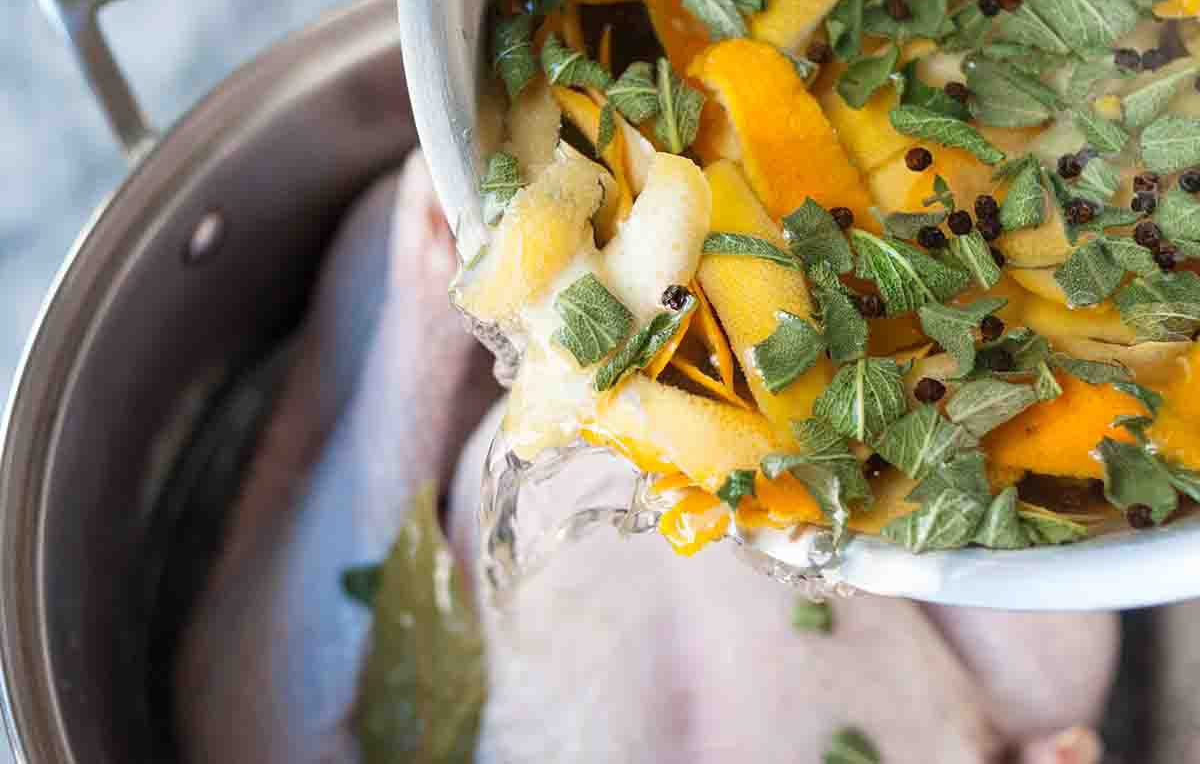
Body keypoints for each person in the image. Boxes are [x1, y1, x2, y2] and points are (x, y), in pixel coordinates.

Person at [176, 151, 1116, 763]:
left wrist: (419, 349)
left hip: (510, 355)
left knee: (248, 741)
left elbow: (250, 719)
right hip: (845, 442)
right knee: (1059, 677)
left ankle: (418, 310)